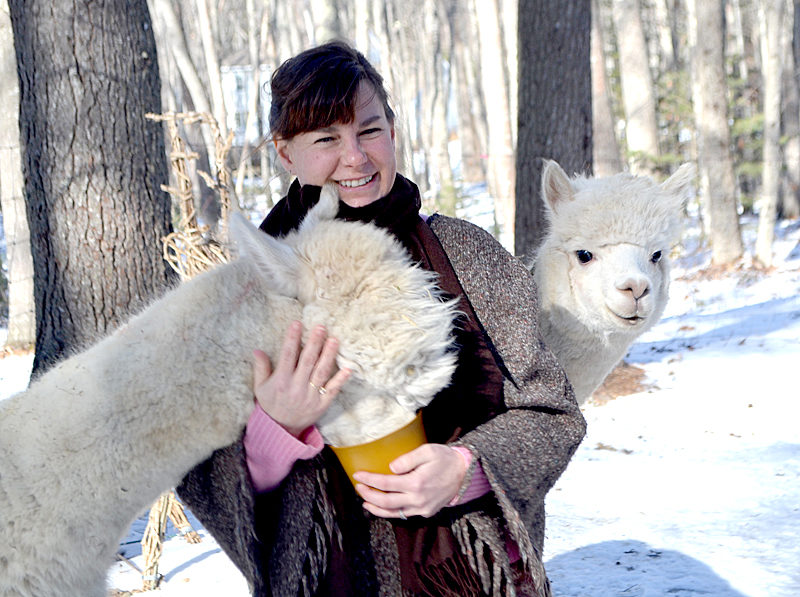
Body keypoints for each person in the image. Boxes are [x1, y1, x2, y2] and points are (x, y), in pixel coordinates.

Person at [179, 40, 586, 597]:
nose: (355, 157)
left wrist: (470, 467)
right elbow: (199, 468)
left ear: (392, 131)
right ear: (285, 153)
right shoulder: (245, 293)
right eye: (326, 138)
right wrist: (273, 430)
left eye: (369, 130)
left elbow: (553, 413)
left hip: (476, 581)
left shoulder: (466, 255)